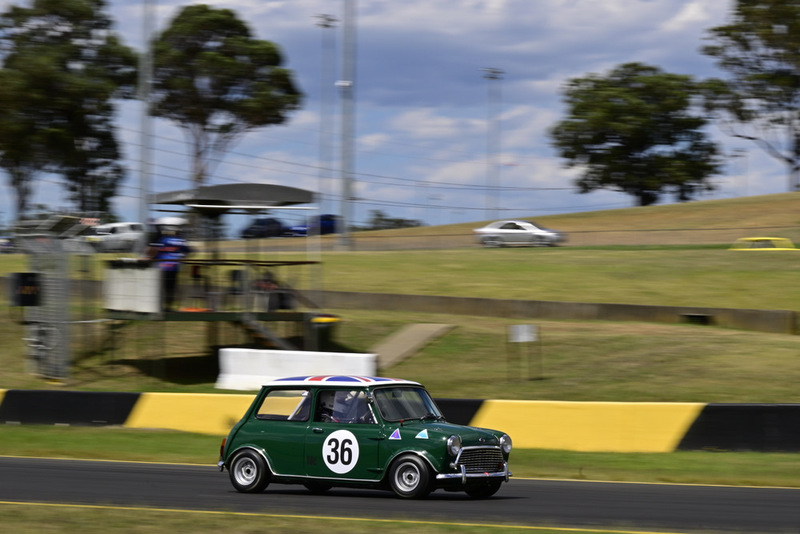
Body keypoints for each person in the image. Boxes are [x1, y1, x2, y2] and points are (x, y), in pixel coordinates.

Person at [146, 219, 192, 311]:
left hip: (161, 267)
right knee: (170, 288)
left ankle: (158, 307)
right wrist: (181, 256)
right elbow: (189, 250)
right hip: (174, 267)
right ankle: (168, 307)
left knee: (159, 288)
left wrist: (152, 256)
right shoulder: (180, 240)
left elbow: (150, 252)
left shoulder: (161, 239)